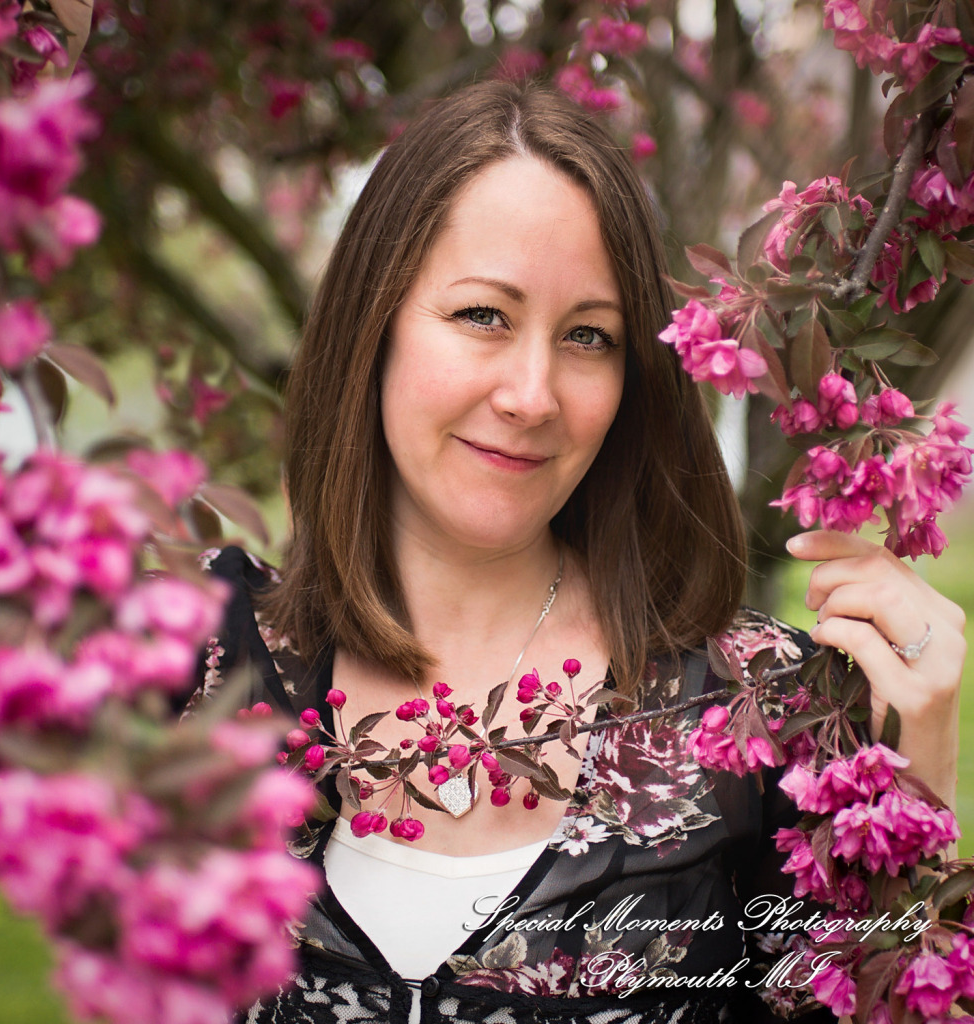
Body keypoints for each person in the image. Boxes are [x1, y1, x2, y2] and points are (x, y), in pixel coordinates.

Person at [185, 81, 965, 1024]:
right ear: (373, 323)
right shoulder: (206, 657)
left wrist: (918, 778)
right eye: (483, 315)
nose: (532, 394)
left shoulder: (759, 713)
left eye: (588, 336)